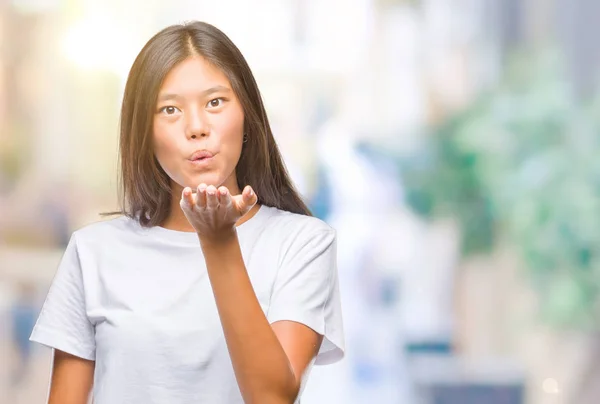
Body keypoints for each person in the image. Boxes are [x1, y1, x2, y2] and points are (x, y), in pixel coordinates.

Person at [29, 21, 344, 404]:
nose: (196, 127)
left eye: (215, 102)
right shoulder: (92, 252)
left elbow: (273, 397)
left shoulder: (302, 243)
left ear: (246, 115)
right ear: (144, 133)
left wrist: (218, 240)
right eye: (170, 109)